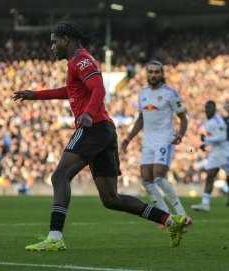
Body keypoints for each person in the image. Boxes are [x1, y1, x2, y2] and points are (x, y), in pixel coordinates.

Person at [13, 21, 188, 251]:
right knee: (111, 199)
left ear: (66, 39)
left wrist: (87, 113)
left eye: (55, 42)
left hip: (93, 127)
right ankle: (169, 220)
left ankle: (55, 237)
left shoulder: (80, 59)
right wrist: (36, 95)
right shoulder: (76, 63)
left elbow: (99, 88)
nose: (53, 47)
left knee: (59, 177)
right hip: (104, 130)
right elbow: (71, 91)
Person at [120, 61, 192, 226]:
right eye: (150, 72)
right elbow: (140, 119)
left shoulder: (170, 93)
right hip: (148, 143)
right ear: (147, 73)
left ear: (162, 74)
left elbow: (183, 118)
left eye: (156, 72)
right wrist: (128, 139)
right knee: (146, 180)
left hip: (164, 140)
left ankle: (182, 215)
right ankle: (166, 217)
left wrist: (180, 134)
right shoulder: (142, 94)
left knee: (159, 176)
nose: (153, 75)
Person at [191, 101, 229, 211]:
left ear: (214, 108)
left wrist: (206, 140)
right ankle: (205, 203)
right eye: (207, 107)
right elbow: (215, 138)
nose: (208, 109)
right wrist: (205, 145)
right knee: (210, 175)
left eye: (211, 107)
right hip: (215, 152)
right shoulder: (207, 122)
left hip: (224, 151)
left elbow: (222, 137)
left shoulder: (218, 121)